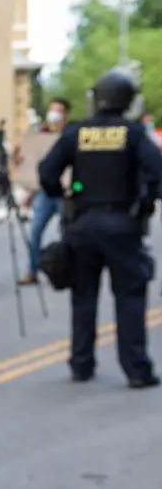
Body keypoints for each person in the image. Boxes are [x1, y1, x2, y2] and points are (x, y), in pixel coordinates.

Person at [40, 69, 162, 388]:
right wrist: (144, 204)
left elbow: (47, 171)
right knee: (130, 297)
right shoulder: (133, 133)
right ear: (127, 100)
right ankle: (137, 370)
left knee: (83, 296)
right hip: (122, 224)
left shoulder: (78, 132)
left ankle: (81, 363)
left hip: (82, 224)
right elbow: (156, 171)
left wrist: (63, 196)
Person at [18, 97, 70, 285]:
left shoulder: (70, 134)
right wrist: (29, 192)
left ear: (66, 114)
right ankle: (31, 271)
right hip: (44, 193)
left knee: (68, 233)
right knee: (35, 231)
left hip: (66, 193)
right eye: (52, 110)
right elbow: (33, 166)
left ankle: (69, 270)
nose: (55, 114)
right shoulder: (40, 135)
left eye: (59, 110)